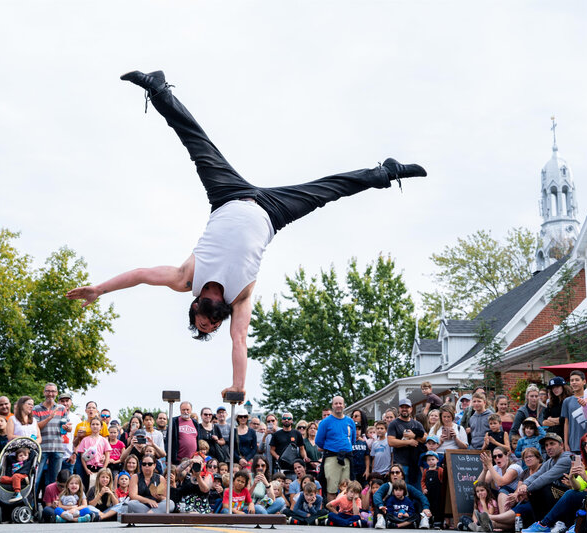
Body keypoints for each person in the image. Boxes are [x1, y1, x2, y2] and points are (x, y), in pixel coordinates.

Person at [66, 69, 427, 398]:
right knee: (327, 190)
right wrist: (239, 385)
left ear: (195, 307)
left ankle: (158, 89)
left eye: (203, 322)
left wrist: (100, 289)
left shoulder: (185, 279)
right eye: (212, 326)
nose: (210, 322)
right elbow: (239, 340)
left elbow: (142, 275)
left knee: (198, 144)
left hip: (227, 195)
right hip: (272, 213)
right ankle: (386, 173)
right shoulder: (239, 300)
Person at [520, 433, 587, 533]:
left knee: (561, 491)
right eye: (584, 444)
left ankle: (545, 524)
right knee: (544, 491)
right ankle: (545, 524)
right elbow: (579, 487)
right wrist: (571, 477)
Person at [316, 395, 357, 499]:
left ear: (344, 405)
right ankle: (332, 509)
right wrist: (331, 447)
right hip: (332, 457)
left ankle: (344, 508)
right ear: (332, 406)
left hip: (347, 457)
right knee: (332, 488)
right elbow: (319, 441)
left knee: (347, 488)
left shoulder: (350, 421)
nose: (338, 405)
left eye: (340, 403)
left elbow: (352, 440)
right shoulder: (325, 422)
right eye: (336, 403)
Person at [32, 383, 69, 494]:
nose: (50, 394)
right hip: (41, 448)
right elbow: (36, 427)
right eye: (48, 391)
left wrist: (68, 428)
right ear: (44, 392)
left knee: (54, 482)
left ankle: (51, 503)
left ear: (56, 393)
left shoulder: (62, 408)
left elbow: (66, 427)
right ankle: (32, 503)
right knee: (35, 479)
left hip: (57, 448)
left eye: (53, 391)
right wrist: (50, 417)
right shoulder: (36, 408)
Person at [373, 465, 432, 529]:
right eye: (392, 473)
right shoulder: (387, 486)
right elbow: (377, 495)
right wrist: (380, 505)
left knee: (418, 502)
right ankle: (381, 520)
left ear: (402, 475)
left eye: (397, 472)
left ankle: (424, 519)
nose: (394, 474)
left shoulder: (408, 487)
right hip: (390, 515)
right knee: (378, 503)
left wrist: (426, 508)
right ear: (390, 475)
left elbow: (421, 496)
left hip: (406, 516)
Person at [387, 398, 426, 490]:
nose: (404, 409)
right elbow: (391, 441)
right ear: (399, 409)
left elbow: (425, 438)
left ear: (411, 409)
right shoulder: (394, 424)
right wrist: (409, 442)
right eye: (402, 407)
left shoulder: (417, 424)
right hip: (401, 465)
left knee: (417, 492)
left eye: (407, 407)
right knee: (401, 491)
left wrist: (414, 436)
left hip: (416, 465)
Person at [478, 446, 521, 513]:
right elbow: (479, 484)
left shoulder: (514, 467)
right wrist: (485, 470)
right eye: (494, 457)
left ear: (507, 456)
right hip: (501, 495)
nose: (497, 458)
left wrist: (490, 465)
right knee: (481, 491)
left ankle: (503, 517)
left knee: (503, 491)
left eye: (500, 456)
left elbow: (501, 483)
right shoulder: (495, 468)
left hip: (515, 497)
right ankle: (482, 516)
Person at [561, 370, 587, 453]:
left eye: (577, 380)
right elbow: (566, 423)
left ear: (584, 382)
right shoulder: (567, 401)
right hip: (574, 443)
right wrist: (566, 443)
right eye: (572, 380)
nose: (574, 382)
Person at [421, 451, 444, 527]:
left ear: (437, 460)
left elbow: (443, 480)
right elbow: (423, 481)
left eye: (432, 459)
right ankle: (429, 521)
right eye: (428, 460)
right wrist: (424, 488)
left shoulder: (440, 470)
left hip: (437, 493)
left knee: (437, 507)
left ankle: (438, 521)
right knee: (429, 506)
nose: (430, 461)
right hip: (428, 493)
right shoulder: (425, 471)